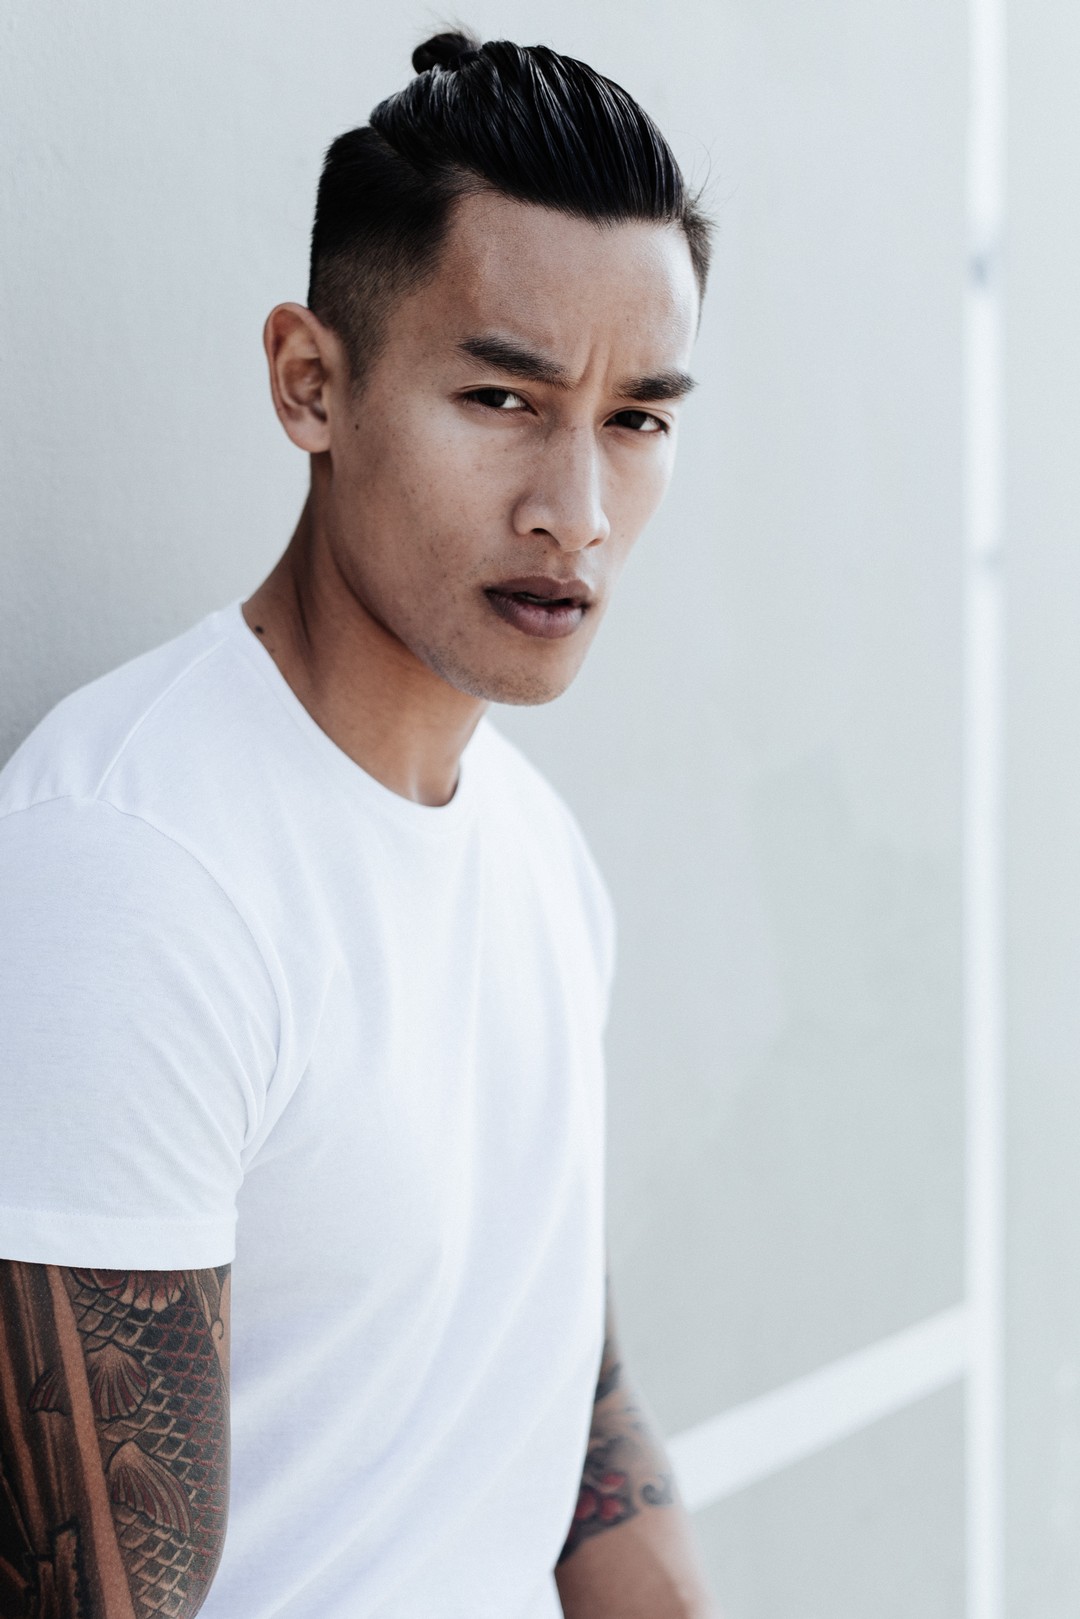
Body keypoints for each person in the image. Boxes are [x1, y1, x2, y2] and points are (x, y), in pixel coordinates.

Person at [0, 28, 717, 1619]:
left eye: (637, 419)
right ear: (309, 384)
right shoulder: (134, 877)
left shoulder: (539, 857)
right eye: (500, 396)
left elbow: (573, 1412)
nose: (577, 513)